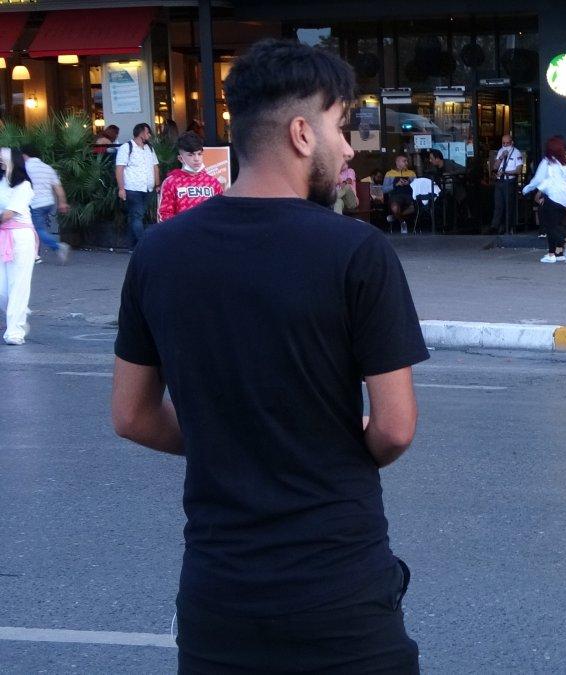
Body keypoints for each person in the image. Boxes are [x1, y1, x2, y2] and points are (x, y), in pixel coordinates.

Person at [110, 39, 426, 672]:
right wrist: (329, 441)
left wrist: (230, 436)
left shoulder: (160, 254)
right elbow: (393, 428)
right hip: (340, 594)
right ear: (303, 133)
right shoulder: (357, 253)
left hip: (219, 598)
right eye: (341, 127)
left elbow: (133, 416)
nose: (347, 148)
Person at [522, 135, 566, 263]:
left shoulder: (547, 162)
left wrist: (527, 189)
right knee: (556, 224)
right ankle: (557, 254)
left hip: (553, 197)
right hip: (565, 199)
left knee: (550, 226)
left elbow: (538, 179)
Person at [0, 148, 36, 345]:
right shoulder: (1, 183)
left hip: (20, 237)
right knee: (2, 289)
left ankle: (15, 331)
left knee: (18, 285)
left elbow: (7, 214)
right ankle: (20, 311)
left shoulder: (24, 186)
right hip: (2, 236)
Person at [156, 131, 223, 222]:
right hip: (181, 234)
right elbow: (164, 215)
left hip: (208, 234)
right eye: (190, 155)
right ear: (180, 158)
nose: (196, 159)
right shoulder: (170, 182)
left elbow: (220, 211)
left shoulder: (213, 183)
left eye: (199, 154)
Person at [21, 144, 71, 264]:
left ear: (24, 154)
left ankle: (58, 247)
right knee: (37, 229)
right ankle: (35, 255)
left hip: (35, 203)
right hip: (48, 203)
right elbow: (58, 187)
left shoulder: (25, 167)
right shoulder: (47, 167)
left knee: (37, 230)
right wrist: (62, 202)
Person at [115, 122, 160, 248]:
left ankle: (132, 245)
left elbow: (155, 167)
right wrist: (121, 188)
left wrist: (157, 184)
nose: (149, 135)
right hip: (133, 189)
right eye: (148, 132)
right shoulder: (126, 147)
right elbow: (119, 169)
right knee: (137, 215)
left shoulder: (149, 148)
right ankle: (143, 245)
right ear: (141, 133)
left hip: (148, 189)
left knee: (136, 216)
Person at [491, 134, 523, 233]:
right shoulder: (501, 151)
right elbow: (495, 167)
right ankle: (495, 226)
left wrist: (506, 172)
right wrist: (501, 158)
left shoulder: (516, 153)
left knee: (508, 204)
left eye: (507, 143)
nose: (505, 145)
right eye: (503, 143)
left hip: (509, 180)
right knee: (498, 204)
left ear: (512, 143)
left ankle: (507, 226)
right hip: (500, 180)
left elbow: (518, 170)